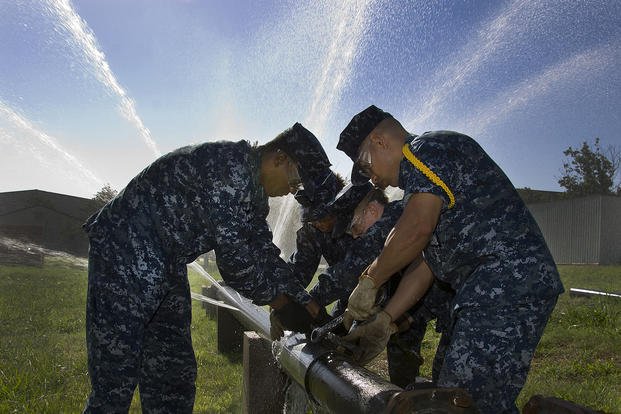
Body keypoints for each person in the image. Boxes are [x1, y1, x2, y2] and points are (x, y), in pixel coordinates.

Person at [82, 123, 332, 413]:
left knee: (172, 375)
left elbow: (262, 252)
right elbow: (236, 263)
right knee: (115, 380)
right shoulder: (229, 170)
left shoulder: (253, 191)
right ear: (279, 159)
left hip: (165, 263)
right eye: (296, 181)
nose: (292, 191)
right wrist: (282, 305)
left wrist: (306, 302)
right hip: (122, 253)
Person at [337, 105, 564, 413]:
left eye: (365, 166)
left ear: (379, 140)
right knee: (454, 394)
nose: (372, 178)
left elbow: (415, 230)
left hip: (506, 283)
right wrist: (386, 320)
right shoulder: (422, 188)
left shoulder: (424, 150)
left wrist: (370, 280)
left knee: (461, 401)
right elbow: (426, 265)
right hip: (490, 291)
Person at [347, 188, 454, 388]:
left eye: (354, 227)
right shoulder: (400, 230)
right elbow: (423, 268)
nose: (354, 236)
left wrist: (398, 319)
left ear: (371, 211)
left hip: (471, 306)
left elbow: (438, 281)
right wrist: (386, 319)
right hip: (411, 305)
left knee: (453, 385)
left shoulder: (408, 223)